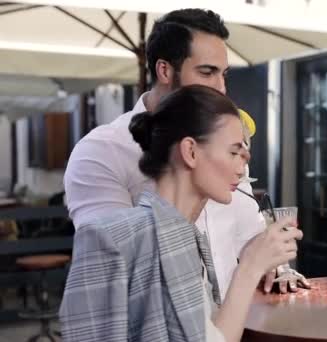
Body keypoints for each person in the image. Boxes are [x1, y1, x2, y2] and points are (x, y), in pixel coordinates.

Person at [63, 8, 308, 298]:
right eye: (207, 72)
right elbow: (113, 264)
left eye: (223, 74)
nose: (221, 88)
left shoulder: (221, 143)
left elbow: (248, 235)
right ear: (165, 70)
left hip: (234, 324)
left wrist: (273, 268)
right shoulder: (101, 152)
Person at [60, 85, 303, 342]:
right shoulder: (107, 238)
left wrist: (254, 267)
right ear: (190, 151)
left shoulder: (193, 240)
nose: (242, 171)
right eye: (233, 153)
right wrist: (250, 267)